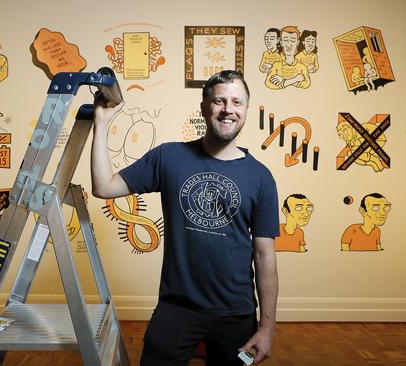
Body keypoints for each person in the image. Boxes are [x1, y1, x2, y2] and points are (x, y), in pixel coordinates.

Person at [91, 70, 280, 365]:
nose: (228, 109)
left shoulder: (261, 177)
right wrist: (100, 123)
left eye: (236, 102)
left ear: (245, 110)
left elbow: (265, 256)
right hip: (176, 309)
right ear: (204, 108)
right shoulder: (169, 157)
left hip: (235, 313)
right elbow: (104, 186)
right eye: (219, 101)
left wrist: (267, 328)